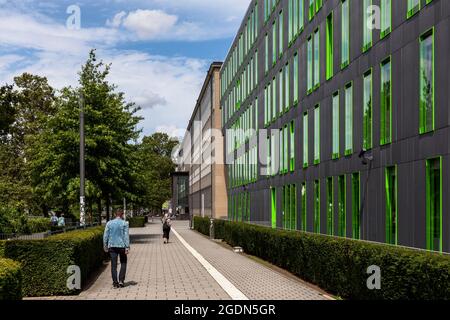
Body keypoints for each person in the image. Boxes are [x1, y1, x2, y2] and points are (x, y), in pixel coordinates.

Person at [103, 209, 130, 288]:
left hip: (112, 246)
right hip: (122, 246)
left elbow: (105, 236)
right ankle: (121, 280)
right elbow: (126, 236)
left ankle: (115, 283)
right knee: (123, 262)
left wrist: (105, 245)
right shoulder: (125, 223)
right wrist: (127, 247)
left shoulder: (109, 223)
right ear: (122, 215)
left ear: (115, 214)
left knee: (113, 265)